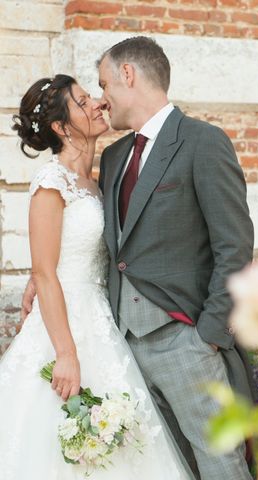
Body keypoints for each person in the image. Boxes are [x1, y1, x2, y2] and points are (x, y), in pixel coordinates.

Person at [19, 37, 255, 480]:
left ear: (127, 76)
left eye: (103, 85)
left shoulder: (202, 142)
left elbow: (235, 247)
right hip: (118, 345)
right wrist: (44, 274)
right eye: (89, 96)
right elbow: (109, 242)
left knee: (219, 460)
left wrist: (209, 334)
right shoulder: (114, 158)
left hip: (185, 341)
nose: (101, 99)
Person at [0, 74, 195, 479]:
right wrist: (67, 355)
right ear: (60, 126)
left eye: (94, 96)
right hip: (63, 327)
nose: (98, 104)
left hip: (104, 321)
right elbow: (46, 274)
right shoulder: (51, 183)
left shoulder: (101, 178)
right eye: (83, 101)